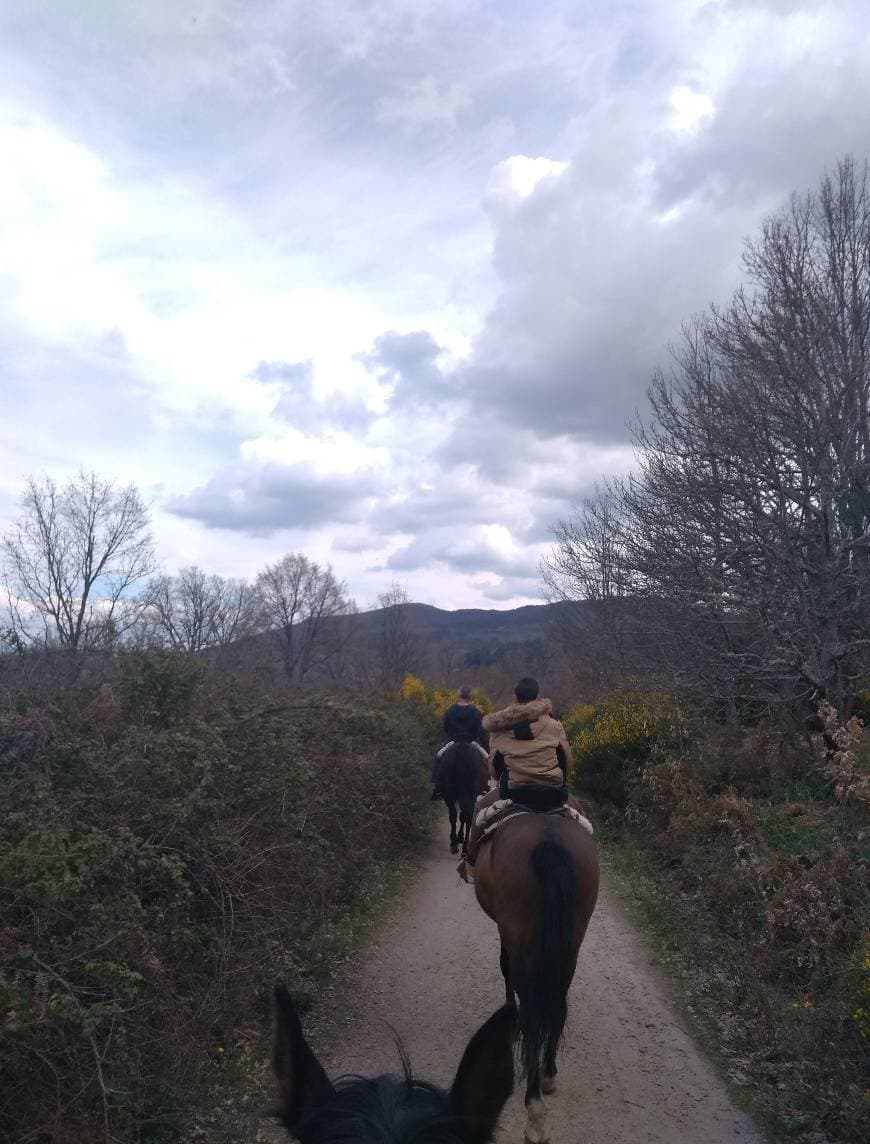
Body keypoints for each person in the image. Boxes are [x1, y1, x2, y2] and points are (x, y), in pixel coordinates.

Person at [458, 676, 582, 881]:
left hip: (516, 790)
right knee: (579, 813)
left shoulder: (499, 727)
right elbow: (566, 758)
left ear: (515, 697)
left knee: (480, 808)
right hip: (552, 791)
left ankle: (471, 863)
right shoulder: (553, 724)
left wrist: (500, 778)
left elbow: (494, 764)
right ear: (537, 697)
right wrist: (562, 779)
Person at [431, 686, 488, 799]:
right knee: (487, 760)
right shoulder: (476, 712)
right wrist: (485, 747)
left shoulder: (450, 711)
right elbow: (481, 733)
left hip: (453, 742)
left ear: (459, 695)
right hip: (472, 743)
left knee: (438, 757)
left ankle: (437, 787)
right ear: (470, 697)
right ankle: (485, 786)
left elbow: (445, 729)